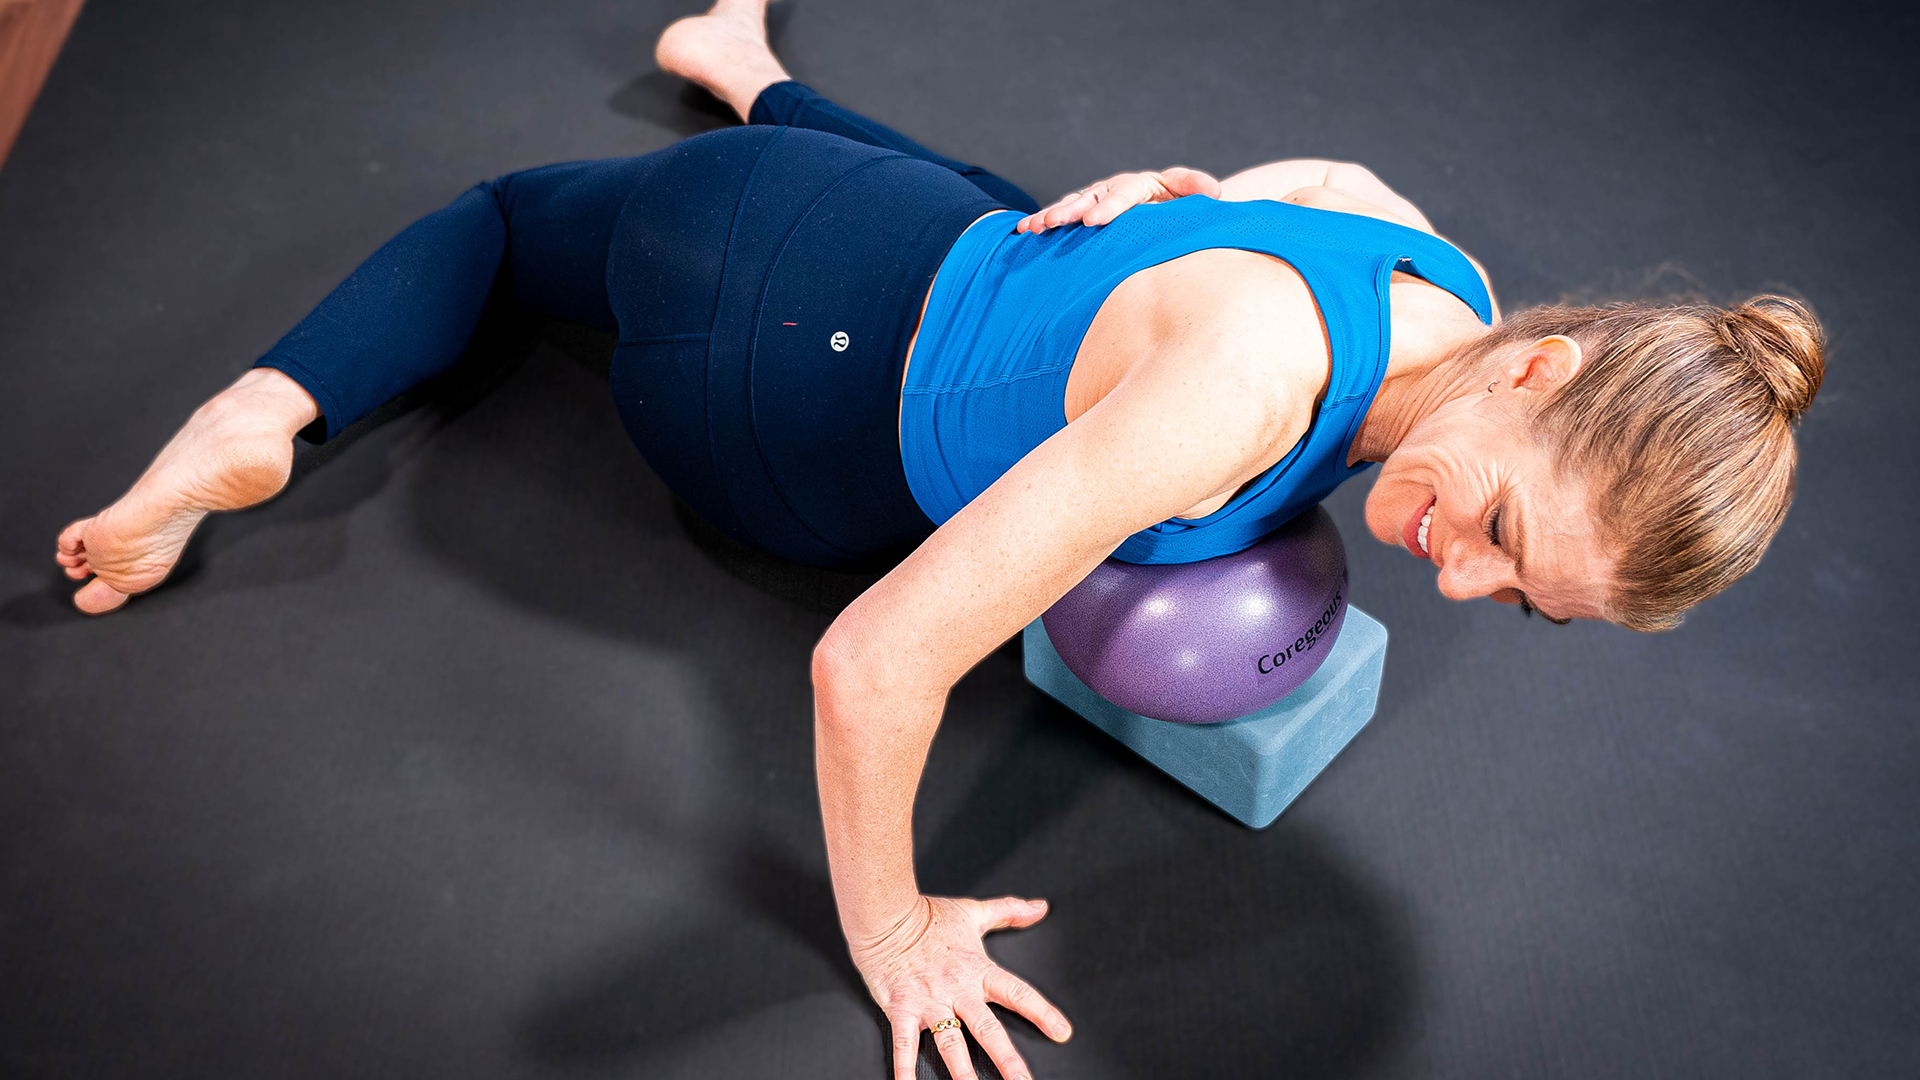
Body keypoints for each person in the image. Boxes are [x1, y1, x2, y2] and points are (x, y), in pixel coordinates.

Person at [52, 2, 1826, 1077]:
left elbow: (1271, 197)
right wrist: (895, 935)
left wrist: (1169, 193)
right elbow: (873, 659)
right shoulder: (1239, 402)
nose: (1457, 580)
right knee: (508, 230)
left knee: (992, 200)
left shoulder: (1433, 263)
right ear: (1538, 369)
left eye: (1523, 604)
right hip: (760, 377)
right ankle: (266, 413)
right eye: (1504, 526)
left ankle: (740, 70)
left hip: (894, 233)